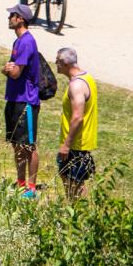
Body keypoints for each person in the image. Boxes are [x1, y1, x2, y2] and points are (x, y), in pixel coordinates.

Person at [2, 4, 41, 199]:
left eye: (12, 15)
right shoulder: (17, 42)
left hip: (26, 100)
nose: (9, 17)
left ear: (21, 19)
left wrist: (8, 69)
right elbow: (10, 69)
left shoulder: (27, 42)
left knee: (28, 145)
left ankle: (32, 187)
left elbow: (16, 72)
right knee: (16, 144)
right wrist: (7, 69)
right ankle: (20, 182)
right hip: (14, 98)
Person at [55, 47, 98, 201]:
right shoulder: (86, 78)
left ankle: (80, 213)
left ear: (66, 63)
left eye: (58, 61)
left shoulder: (77, 86)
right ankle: (73, 209)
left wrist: (67, 144)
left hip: (76, 144)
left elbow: (78, 117)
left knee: (75, 183)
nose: (55, 64)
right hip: (79, 142)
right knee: (68, 178)